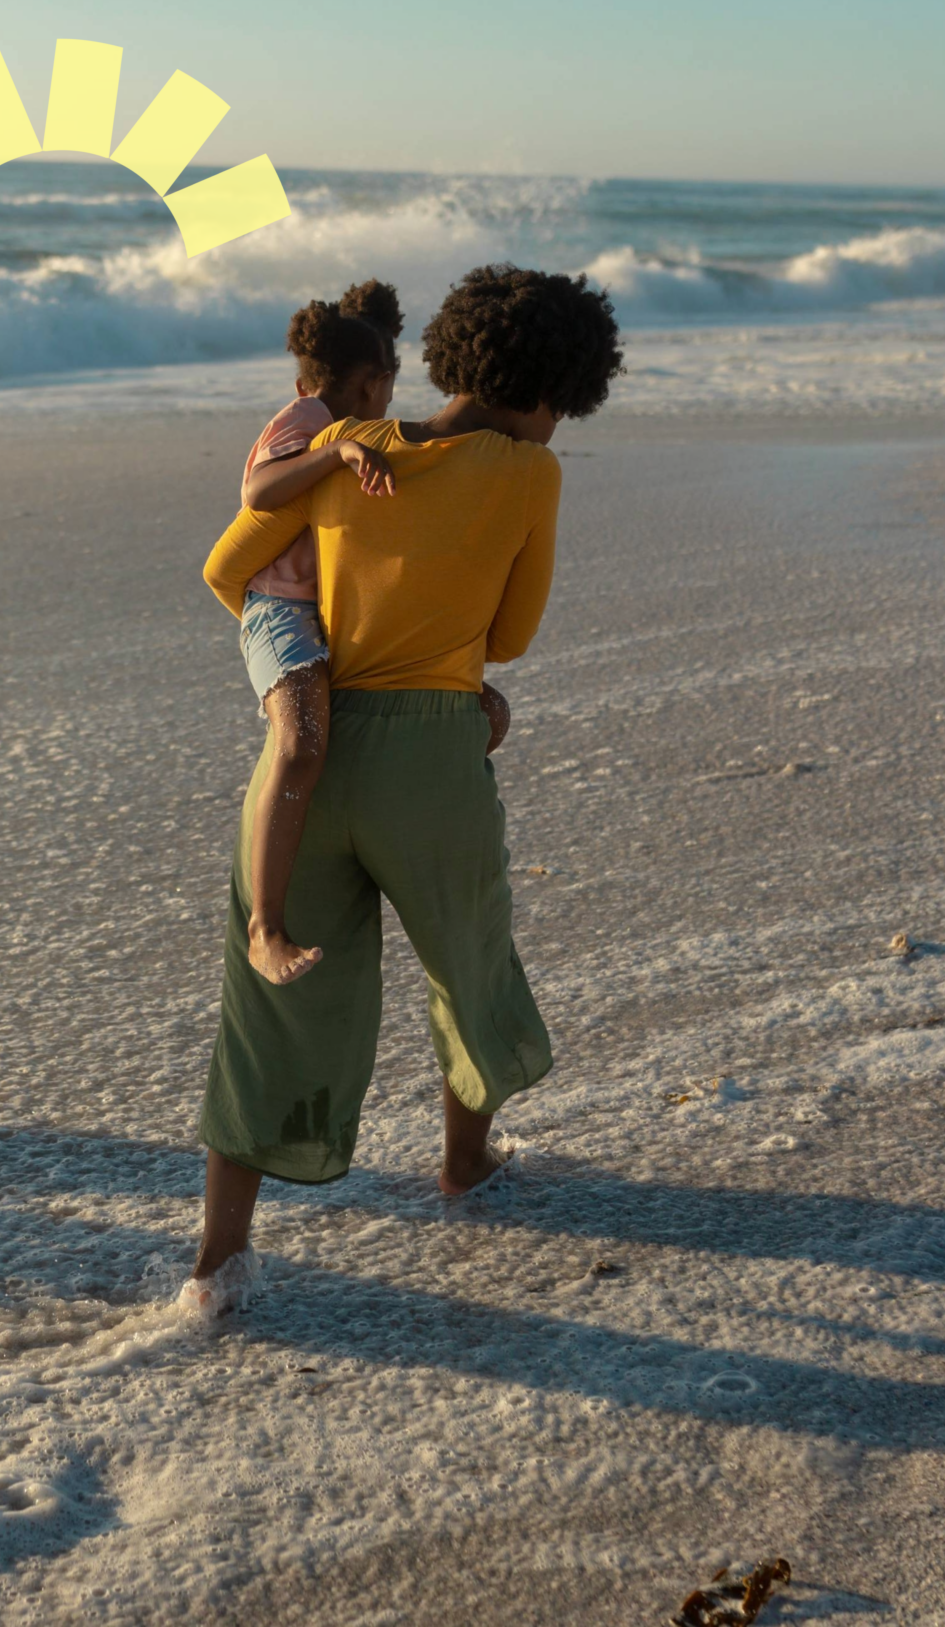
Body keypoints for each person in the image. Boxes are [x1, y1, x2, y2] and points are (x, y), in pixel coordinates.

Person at [185, 263, 625, 1314]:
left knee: (268, 1003)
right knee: (463, 959)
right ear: (552, 391)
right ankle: (463, 1165)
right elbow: (510, 636)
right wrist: (471, 699)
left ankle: (216, 1266)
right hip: (429, 755)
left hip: (310, 743)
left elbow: (226, 567)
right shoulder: (528, 475)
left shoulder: (348, 449)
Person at [233, 282, 513, 988]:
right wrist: (340, 452)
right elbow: (259, 494)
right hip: (279, 609)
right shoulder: (307, 421)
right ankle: (265, 928)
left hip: (326, 613)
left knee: (476, 712)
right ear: (373, 383)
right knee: (301, 742)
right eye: (386, 391)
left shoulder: (343, 423)